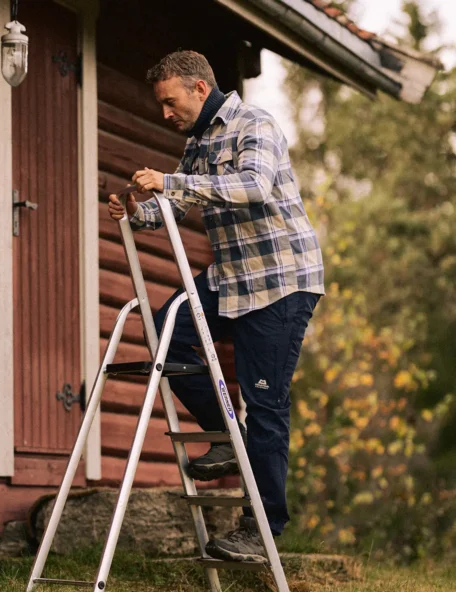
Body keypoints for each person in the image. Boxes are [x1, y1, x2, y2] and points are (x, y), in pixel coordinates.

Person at [108, 50, 324, 562]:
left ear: (200, 89)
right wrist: (138, 213)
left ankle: (263, 528)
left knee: (266, 403)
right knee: (165, 333)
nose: (165, 113)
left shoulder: (255, 123)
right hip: (230, 279)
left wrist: (170, 181)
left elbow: (253, 187)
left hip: (279, 282)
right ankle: (227, 435)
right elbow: (177, 207)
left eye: (170, 102)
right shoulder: (199, 143)